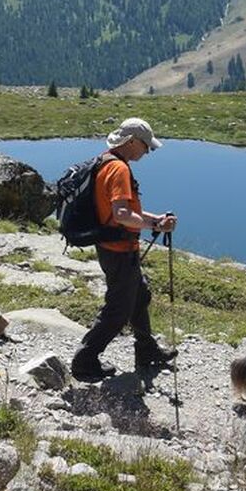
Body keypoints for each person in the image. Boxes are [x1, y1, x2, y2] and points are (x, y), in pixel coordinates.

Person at [69, 117, 179, 383]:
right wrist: (156, 224)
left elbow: (127, 212)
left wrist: (153, 220)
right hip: (119, 249)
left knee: (139, 295)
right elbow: (122, 214)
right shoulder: (118, 169)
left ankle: (146, 350)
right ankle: (84, 361)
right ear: (131, 142)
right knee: (118, 309)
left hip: (110, 246)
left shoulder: (106, 160)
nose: (148, 151)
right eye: (146, 146)